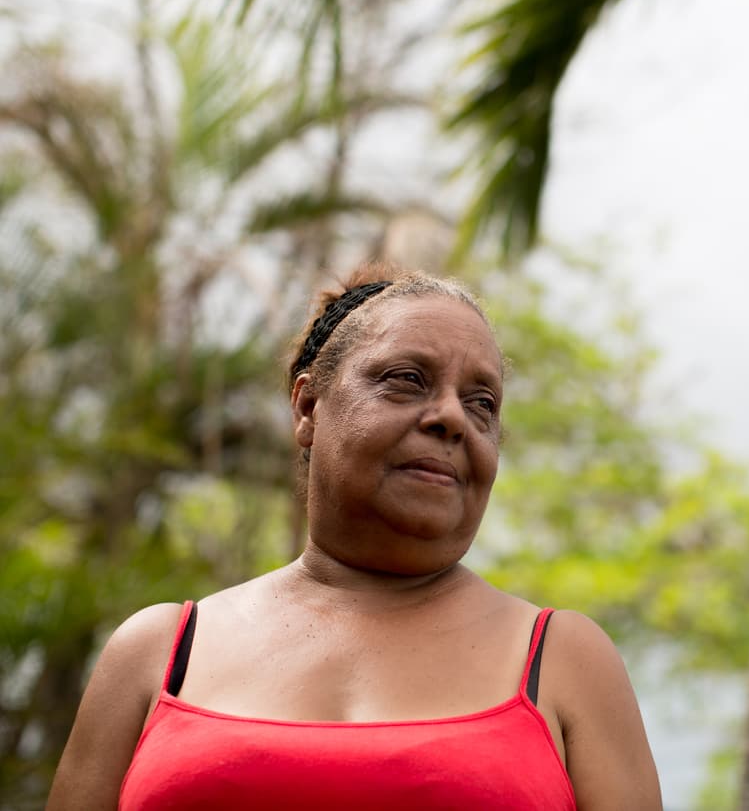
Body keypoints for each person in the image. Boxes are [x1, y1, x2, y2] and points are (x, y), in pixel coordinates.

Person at [47, 265, 663, 810]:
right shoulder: (159, 651)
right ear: (307, 407)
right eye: (406, 378)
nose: (451, 416)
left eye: (482, 403)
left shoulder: (565, 660)